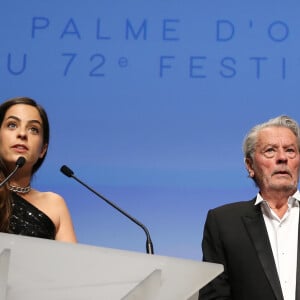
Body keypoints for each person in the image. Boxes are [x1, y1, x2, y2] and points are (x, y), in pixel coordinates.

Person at [199, 115, 300, 300]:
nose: (282, 158)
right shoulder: (224, 223)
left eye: (290, 150)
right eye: (270, 150)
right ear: (250, 165)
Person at [0, 96, 76, 242]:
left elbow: (72, 263)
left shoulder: (54, 205)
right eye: (12, 125)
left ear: (43, 150)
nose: (22, 134)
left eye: (33, 129)